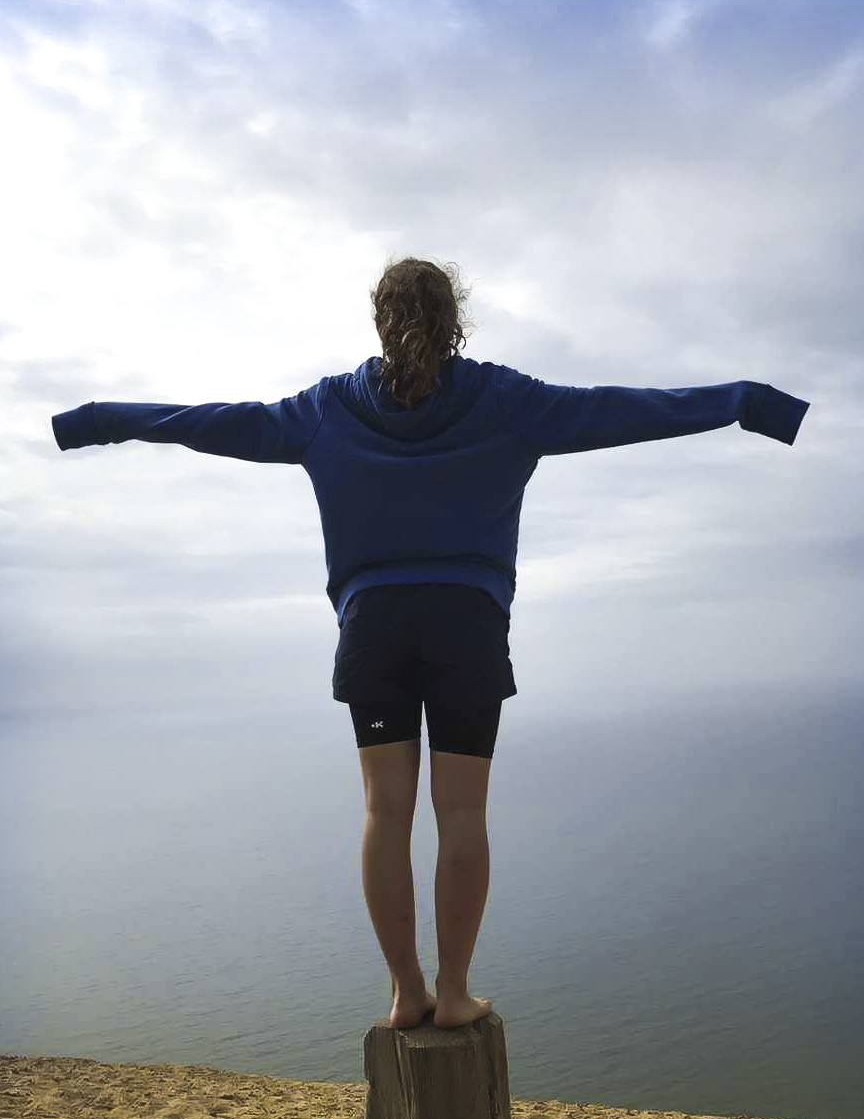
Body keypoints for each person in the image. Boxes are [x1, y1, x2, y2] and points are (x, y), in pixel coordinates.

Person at [51, 256, 811, 1031]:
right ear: (457, 322)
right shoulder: (507, 402)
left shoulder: (324, 411)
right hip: (467, 625)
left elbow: (209, 422)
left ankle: (404, 991)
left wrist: (96, 421)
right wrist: (749, 403)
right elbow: (630, 408)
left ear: (379, 322)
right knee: (463, 815)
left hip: (373, 627)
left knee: (386, 813)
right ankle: (453, 994)